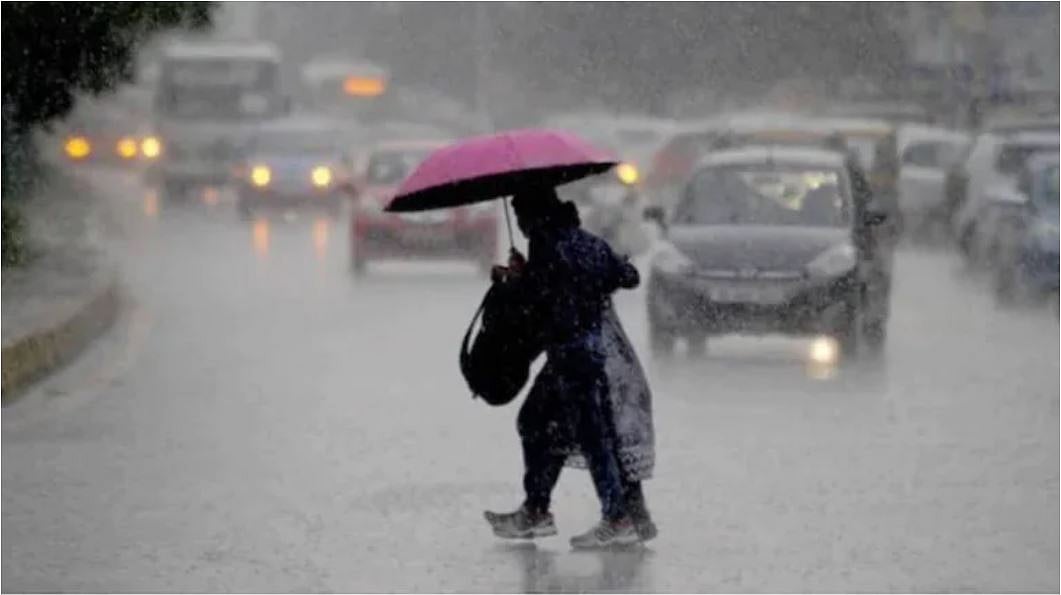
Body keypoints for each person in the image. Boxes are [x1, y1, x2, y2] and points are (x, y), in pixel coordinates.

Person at [484, 186, 656, 549]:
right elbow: (628, 276)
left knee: (589, 437)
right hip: (592, 354)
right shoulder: (587, 242)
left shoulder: (549, 247)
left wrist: (511, 281)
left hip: (572, 358)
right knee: (545, 425)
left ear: (535, 217)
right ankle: (538, 509)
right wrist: (600, 273)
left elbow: (536, 302)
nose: (521, 225)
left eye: (522, 217)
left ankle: (617, 517)